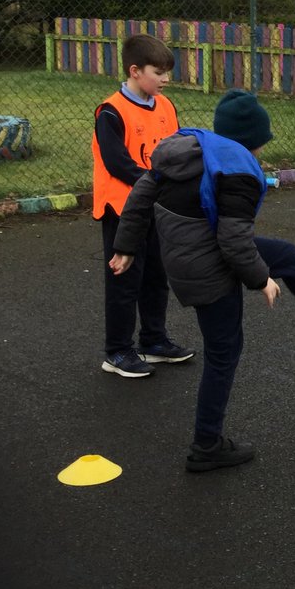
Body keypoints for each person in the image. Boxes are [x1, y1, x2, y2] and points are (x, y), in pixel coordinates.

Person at [110, 89, 295, 472]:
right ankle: (206, 446)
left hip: (187, 253)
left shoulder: (185, 151)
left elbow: (139, 197)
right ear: (252, 141)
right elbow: (234, 243)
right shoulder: (237, 171)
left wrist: (127, 245)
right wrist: (261, 279)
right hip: (206, 264)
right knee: (223, 354)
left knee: (284, 253)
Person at [92, 33, 193, 378]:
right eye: (159, 72)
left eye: (168, 72)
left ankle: (153, 342)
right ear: (135, 71)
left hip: (156, 208)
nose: (166, 79)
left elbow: (177, 149)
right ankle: (117, 351)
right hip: (122, 211)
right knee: (124, 282)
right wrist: (157, 183)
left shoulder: (165, 106)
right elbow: (117, 163)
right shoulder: (111, 112)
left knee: (156, 277)